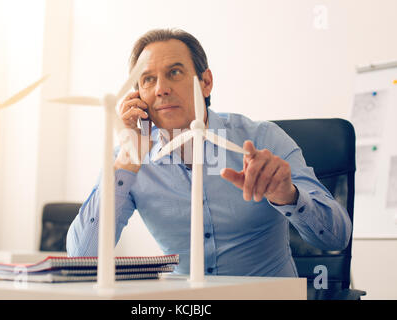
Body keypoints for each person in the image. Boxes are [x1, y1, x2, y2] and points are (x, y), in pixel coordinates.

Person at [66, 28, 352, 277]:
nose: (161, 89)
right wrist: (127, 161)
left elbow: (337, 237)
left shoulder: (261, 139)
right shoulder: (128, 159)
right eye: (148, 79)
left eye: (174, 73)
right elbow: (81, 258)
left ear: (206, 82)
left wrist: (287, 194)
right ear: (137, 93)